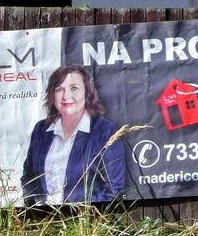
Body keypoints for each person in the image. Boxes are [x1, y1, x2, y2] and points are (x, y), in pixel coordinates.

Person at [21, 64, 127, 205]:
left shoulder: (105, 132)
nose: (66, 96)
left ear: (87, 92)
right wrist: (35, 209)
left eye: (74, 88)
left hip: (85, 221)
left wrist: (73, 213)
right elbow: (29, 176)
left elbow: (113, 190)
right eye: (59, 89)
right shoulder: (41, 129)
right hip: (43, 221)